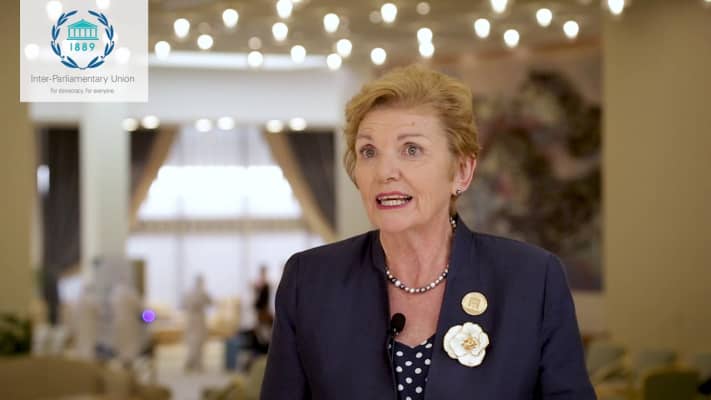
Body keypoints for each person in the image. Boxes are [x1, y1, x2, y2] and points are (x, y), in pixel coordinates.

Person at [260, 64, 595, 399]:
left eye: (411, 149)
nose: (384, 172)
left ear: (461, 171)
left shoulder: (533, 279)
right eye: (368, 152)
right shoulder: (310, 279)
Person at [110, 283, 144, 368]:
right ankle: (128, 367)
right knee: (130, 350)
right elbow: (141, 310)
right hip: (130, 325)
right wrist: (151, 317)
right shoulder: (131, 294)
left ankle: (124, 367)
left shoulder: (115, 294)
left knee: (122, 350)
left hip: (118, 325)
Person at [183, 275, 212, 371]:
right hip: (197, 320)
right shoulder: (200, 293)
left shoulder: (190, 292)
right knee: (196, 343)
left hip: (193, 320)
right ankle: (193, 363)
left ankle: (194, 363)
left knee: (195, 343)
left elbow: (183, 304)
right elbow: (210, 302)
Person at [74, 281, 100, 360]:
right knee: (89, 341)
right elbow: (97, 311)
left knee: (83, 341)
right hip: (89, 325)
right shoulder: (91, 299)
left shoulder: (79, 300)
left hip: (82, 325)